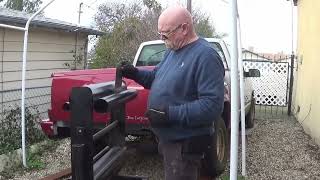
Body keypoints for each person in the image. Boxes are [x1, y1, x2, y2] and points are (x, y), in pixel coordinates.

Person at [121, 6, 225, 180]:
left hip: (185, 144)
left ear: (184, 28)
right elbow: (156, 76)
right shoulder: (173, 51)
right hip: (170, 140)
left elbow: (212, 106)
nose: (162, 38)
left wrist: (169, 114)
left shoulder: (206, 56)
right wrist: (134, 73)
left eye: (166, 33)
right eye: (160, 33)